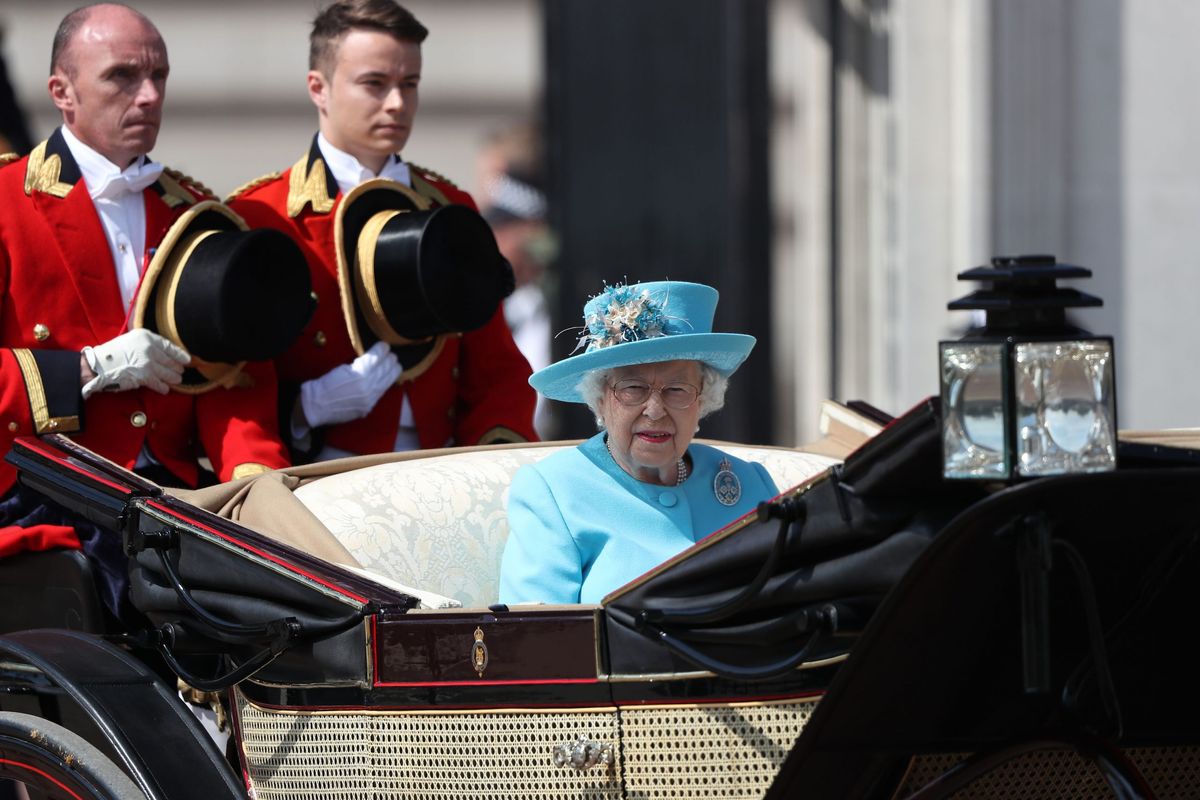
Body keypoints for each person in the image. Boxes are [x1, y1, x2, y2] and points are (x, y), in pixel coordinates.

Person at [0, 4, 291, 614]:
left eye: (159, 76)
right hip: (46, 494)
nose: (149, 95)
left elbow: (235, 384)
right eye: (122, 76)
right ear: (63, 91)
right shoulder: (6, 203)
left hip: (174, 504)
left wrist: (256, 493)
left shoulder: (197, 214)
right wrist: (86, 369)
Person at [228, 0, 537, 462]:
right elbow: (234, 389)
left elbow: (496, 371)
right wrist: (304, 407)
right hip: (316, 477)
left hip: (443, 471)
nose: (397, 103)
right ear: (319, 88)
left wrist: (495, 465)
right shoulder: (260, 214)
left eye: (408, 84)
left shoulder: (450, 206)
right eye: (374, 84)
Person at [499, 280, 779, 605]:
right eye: (633, 388)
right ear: (600, 398)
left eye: (677, 390)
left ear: (703, 399)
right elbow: (535, 639)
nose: (656, 411)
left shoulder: (750, 483)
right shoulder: (553, 491)